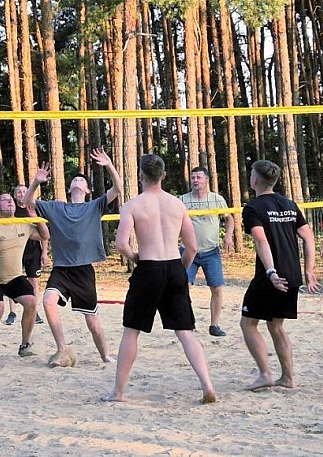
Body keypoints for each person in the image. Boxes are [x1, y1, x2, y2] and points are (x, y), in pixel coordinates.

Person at [102, 154, 216, 404]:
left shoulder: (133, 205)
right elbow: (193, 247)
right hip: (174, 266)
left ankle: (118, 392)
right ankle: (207, 384)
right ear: (163, 175)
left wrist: (136, 258)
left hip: (149, 267)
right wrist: (181, 271)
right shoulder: (177, 204)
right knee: (185, 332)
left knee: (131, 331)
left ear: (141, 175)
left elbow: (121, 244)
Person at [24, 148, 120, 365]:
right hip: (61, 269)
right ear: (69, 188)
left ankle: (105, 355)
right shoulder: (56, 208)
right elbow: (27, 202)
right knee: (48, 301)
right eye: (74, 179)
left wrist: (108, 165)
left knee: (93, 322)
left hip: (83, 270)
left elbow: (117, 188)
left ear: (87, 190)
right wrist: (37, 182)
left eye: (82, 180)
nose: (78, 181)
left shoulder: (94, 206)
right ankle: (62, 349)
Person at [240, 160, 321, 391]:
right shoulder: (289, 204)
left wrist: (271, 272)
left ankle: (266, 374)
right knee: (276, 326)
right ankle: (288, 378)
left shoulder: (253, 208)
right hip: (292, 274)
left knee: (248, 323)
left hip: (271, 276)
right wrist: (308, 270)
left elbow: (260, 240)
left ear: (255, 180)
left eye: (251, 173)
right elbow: (309, 238)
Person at [0, 193, 49, 359]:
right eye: (4, 201)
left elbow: (44, 236)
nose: (10, 203)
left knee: (32, 302)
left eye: (10, 200)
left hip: (13, 277)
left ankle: (25, 344)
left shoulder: (23, 224)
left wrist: (37, 218)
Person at [179, 167, 235, 337]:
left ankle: (214, 325)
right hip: (188, 252)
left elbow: (229, 218)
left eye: (199, 177)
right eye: (193, 177)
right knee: (182, 288)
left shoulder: (217, 199)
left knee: (217, 289)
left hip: (211, 251)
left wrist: (228, 236)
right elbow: (174, 221)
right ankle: (188, 322)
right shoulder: (182, 200)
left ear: (206, 180)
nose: (196, 180)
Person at [5, 184, 49, 326]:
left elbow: (44, 234)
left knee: (33, 282)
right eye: (18, 191)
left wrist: (44, 252)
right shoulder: (12, 210)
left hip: (33, 251)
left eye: (24, 191)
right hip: (16, 250)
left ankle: (34, 311)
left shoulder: (34, 209)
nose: (21, 194)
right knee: (12, 280)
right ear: (14, 194)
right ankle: (12, 312)